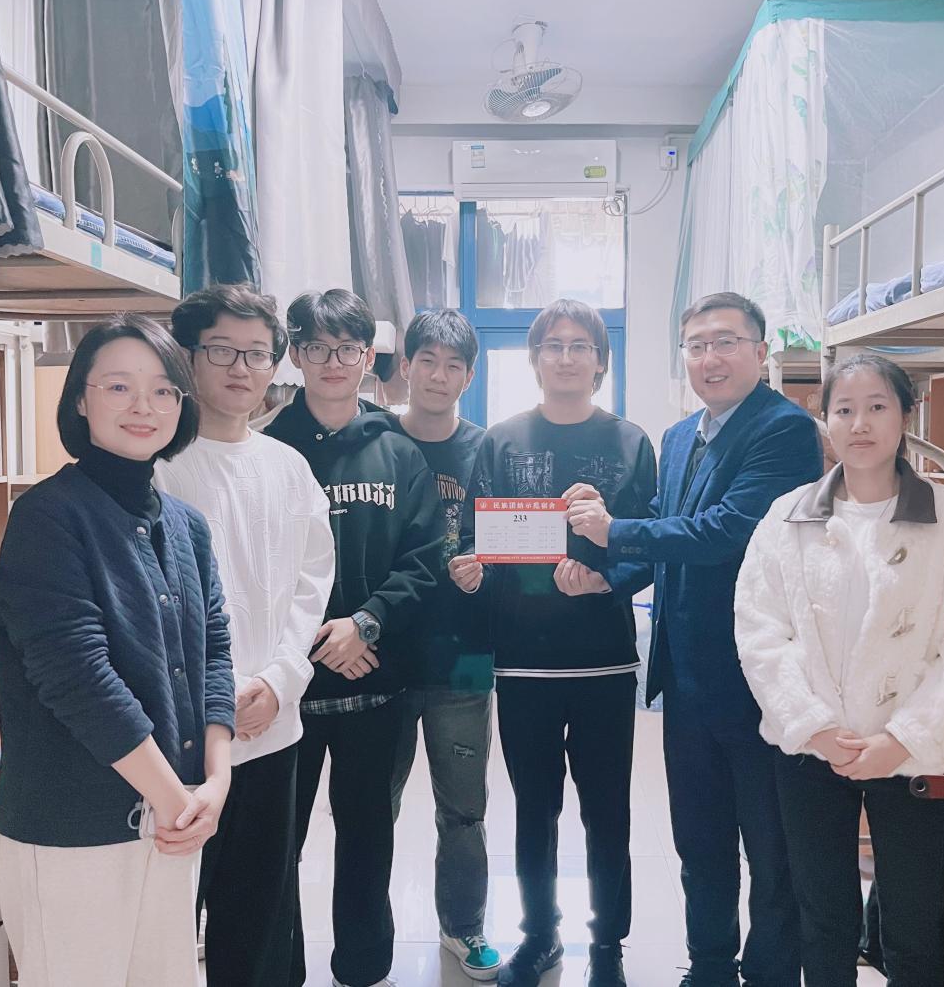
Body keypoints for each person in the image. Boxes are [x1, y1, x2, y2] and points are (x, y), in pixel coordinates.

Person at [562, 292, 821, 987]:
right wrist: (608, 579)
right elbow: (663, 533)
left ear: (760, 352)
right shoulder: (680, 437)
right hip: (686, 678)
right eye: (698, 345)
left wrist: (612, 530)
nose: (711, 357)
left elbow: (726, 531)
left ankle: (769, 973)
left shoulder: (785, 430)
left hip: (759, 679)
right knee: (699, 841)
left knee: (769, 848)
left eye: (726, 342)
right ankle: (708, 966)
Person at [0, 314, 235, 987]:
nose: (142, 407)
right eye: (119, 386)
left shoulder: (186, 526)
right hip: (75, 831)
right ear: (80, 399)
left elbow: (214, 654)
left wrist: (216, 782)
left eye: (162, 390)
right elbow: (79, 679)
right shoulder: (47, 517)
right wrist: (177, 800)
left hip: (174, 817)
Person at [735, 353, 944, 986]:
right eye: (845, 409)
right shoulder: (786, 516)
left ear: (906, 414)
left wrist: (904, 738)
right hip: (813, 752)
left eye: (877, 407)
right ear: (825, 419)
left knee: (917, 926)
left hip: (914, 758)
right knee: (822, 920)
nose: (860, 424)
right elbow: (759, 629)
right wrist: (812, 726)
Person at [452, 298, 657, 987]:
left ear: (600, 361)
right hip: (524, 662)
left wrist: (604, 581)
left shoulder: (629, 442)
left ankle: (607, 947)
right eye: (553, 345)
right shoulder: (502, 441)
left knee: (608, 811)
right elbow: (476, 539)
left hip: (604, 662)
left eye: (580, 346)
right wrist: (471, 567)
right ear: (535, 358)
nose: (566, 357)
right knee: (533, 811)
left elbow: (649, 546)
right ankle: (539, 937)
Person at [154, 285, 335, 987]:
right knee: (171, 915)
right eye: (222, 350)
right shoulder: (159, 466)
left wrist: (282, 680)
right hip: (180, 739)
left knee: (259, 913)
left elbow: (311, 585)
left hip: (273, 724)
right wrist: (219, 696)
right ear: (188, 356)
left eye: (257, 354)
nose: (241, 368)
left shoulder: (288, 467)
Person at [265, 288, 445, 987]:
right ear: (296, 355)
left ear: (368, 357)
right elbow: (253, 568)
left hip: (375, 678)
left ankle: (364, 967)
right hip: (285, 687)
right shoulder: (268, 447)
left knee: (368, 835)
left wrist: (365, 622)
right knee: (277, 842)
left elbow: (425, 559)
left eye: (347, 348)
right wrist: (315, 640)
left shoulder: (398, 451)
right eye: (316, 347)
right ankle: (277, 968)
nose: (333, 362)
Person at [387, 309, 499, 981]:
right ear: (405, 365)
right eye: (426, 360)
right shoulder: (375, 441)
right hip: (382, 659)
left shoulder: (489, 450)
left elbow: (512, 543)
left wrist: (488, 565)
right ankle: (367, 932)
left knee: (463, 810)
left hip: (465, 656)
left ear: (469, 375)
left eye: (453, 364)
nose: (438, 375)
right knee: (374, 808)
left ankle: (464, 927)